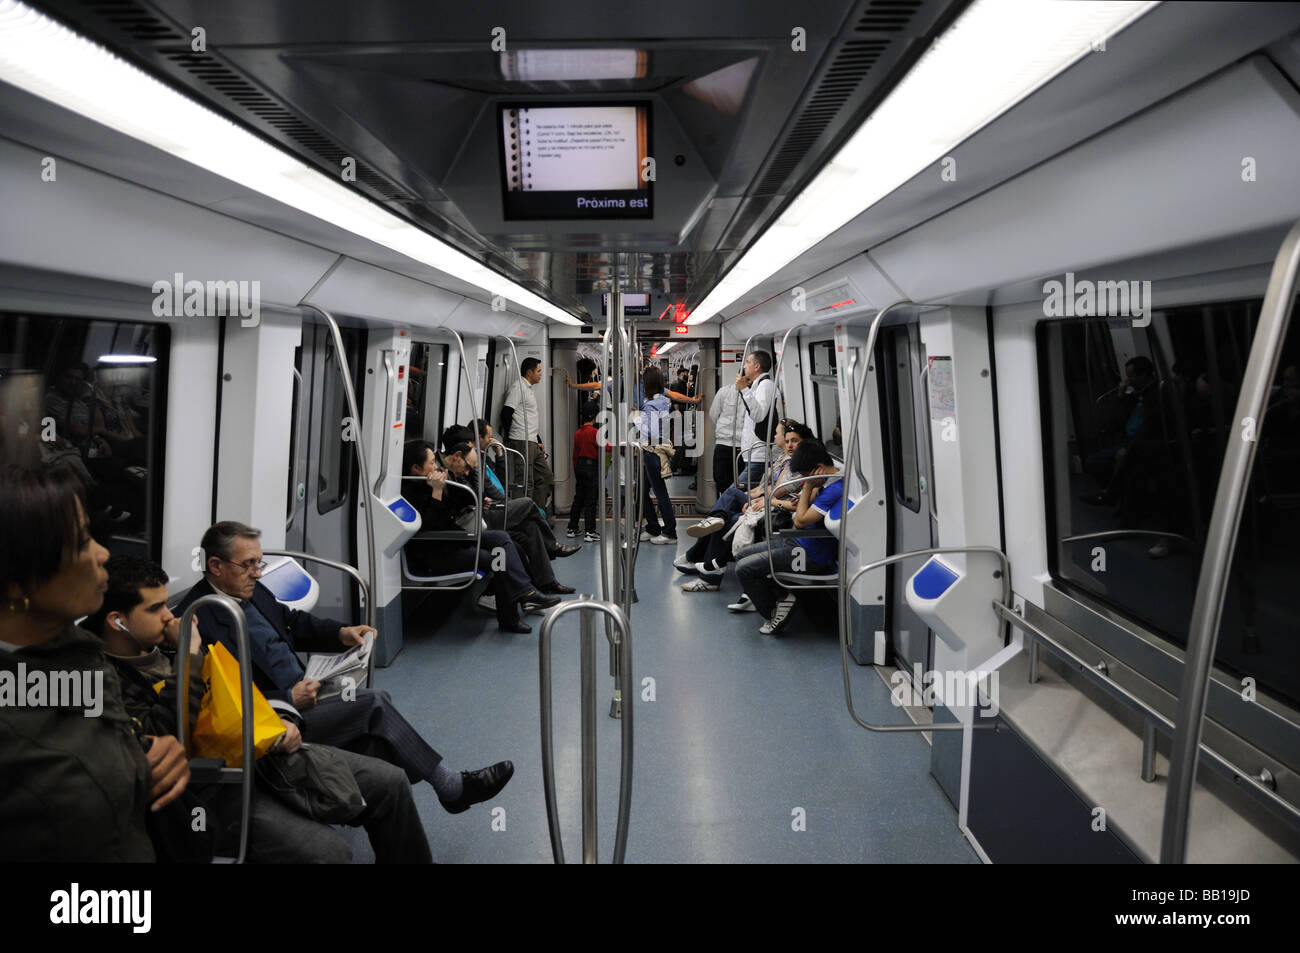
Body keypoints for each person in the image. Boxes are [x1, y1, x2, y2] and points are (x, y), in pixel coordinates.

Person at [88, 555, 433, 863]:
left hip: (263, 755)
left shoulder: (167, 645)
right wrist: (190, 658)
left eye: (167, 604)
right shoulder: (107, 680)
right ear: (118, 622)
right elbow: (166, 734)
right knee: (329, 853)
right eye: (155, 609)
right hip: (214, 787)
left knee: (391, 782)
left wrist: (276, 720)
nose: (169, 617)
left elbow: (232, 697)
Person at [176, 520, 516, 812]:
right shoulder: (198, 619)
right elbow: (220, 702)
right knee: (374, 702)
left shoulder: (250, 590)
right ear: (217, 566)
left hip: (305, 686)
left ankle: (413, 792)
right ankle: (451, 787)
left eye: (259, 564)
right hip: (278, 715)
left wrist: (341, 633)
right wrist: (287, 697)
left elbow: (291, 622)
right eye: (247, 565)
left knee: (382, 749)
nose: (256, 573)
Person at [0, 463, 190, 861]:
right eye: (81, 541)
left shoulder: (76, 654)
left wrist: (144, 751)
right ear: (16, 581)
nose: (103, 553)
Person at [402, 440, 560, 632]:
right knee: (498, 560)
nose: (436, 466)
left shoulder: (432, 483)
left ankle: (526, 592)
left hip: (455, 539)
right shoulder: (409, 491)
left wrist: (452, 486)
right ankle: (511, 616)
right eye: (432, 463)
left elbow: (456, 505)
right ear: (416, 468)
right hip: (439, 552)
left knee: (503, 539)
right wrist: (437, 491)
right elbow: (429, 526)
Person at [678, 421, 812, 592]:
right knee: (726, 512)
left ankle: (704, 566)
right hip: (768, 503)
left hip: (775, 510)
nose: (789, 444)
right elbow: (771, 487)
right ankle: (713, 527)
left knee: (728, 515)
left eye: (795, 441)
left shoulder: (800, 466)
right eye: (787, 441)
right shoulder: (786, 459)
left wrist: (759, 499)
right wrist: (757, 496)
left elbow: (778, 492)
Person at [440, 427, 577, 593]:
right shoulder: (461, 473)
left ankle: (546, 583)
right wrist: (476, 469)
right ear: (458, 452)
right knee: (527, 503)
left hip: (494, 507)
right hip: (485, 516)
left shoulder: (477, 460)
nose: (475, 448)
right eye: (471, 445)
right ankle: (552, 545)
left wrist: (499, 455)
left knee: (531, 527)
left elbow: (499, 486)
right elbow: (482, 493)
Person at [734, 439, 844, 636]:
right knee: (741, 555)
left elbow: (801, 520)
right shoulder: (827, 481)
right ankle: (784, 597)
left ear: (818, 468)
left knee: (744, 569)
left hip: (811, 554)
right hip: (800, 541)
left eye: (806, 476)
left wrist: (809, 486)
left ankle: (773, 613)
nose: (804, 480)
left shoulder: (833, 489)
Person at [502, 357, 555, 513]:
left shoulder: (529, 388)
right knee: (525, 482)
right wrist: (510, 436)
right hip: (521, 440)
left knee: (545, 478)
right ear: (529, 372)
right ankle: (521, 517)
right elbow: (506, 413)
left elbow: (529, 419)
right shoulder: (518, 387)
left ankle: (538, 514)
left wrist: (538, 440)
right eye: (538, 371)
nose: (541, 374)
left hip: (531, 440)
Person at [735, 350, 778, 489]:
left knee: (733, 492)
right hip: (752, 454)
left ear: (757, 367)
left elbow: (758, 415)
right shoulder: (756, 386)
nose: (744, 366)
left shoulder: (766, 385)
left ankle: (716, 511)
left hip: (760, 455)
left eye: (747, 362)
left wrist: (744, 390)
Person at [567, 408, 603, 541]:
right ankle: (590, 531)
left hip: (580, 466)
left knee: (579, 499)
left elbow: (575, 455)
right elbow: (607, 447)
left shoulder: (578, 433)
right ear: (594, 418)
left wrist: (576, 469)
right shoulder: (595, 432)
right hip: (591, 467)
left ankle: (572, 528)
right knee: (591, 500)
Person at [708, 370, 743, 495]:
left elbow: (713, 414)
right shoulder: (725, 392)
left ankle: (726, 510)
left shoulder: (724, 392)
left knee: (725, 481)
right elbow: (713, 414)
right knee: (733, 482)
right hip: (734, 445)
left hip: (731, 444)